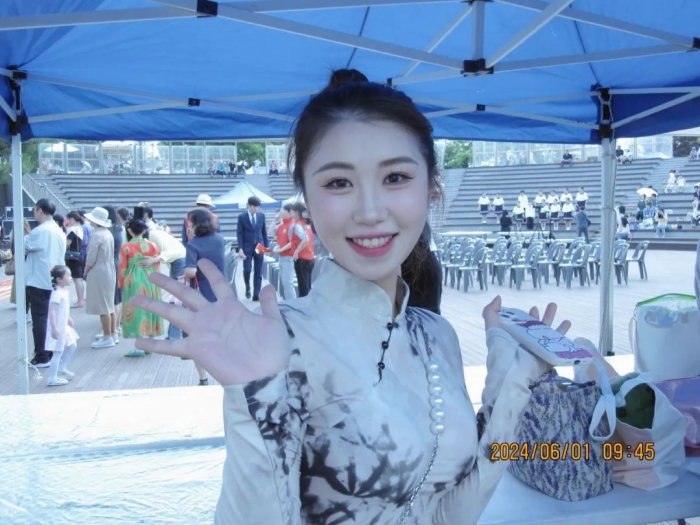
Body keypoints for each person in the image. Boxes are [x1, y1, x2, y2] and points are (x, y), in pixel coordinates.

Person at [131, 68, 568, 524]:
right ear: (306, 197)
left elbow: (449, 512)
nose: (370, 211)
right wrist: (255, 403)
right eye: (339, 182)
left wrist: (511, 377)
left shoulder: (437, 334)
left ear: (431, 187)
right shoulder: (279, 341)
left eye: (395, 177)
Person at [184, 207, 227, 385]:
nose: (188, 226)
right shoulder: (219, 239)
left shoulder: (193, 245)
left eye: (190, 223)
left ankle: (203, 379)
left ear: (195, 224)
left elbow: (191, 272)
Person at [25, 199, 66, 367]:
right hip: (54, 279)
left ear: (40, 210)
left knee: (40, 318)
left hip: (39, 280)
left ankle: (41, 355)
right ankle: (51, 352)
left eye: (35, 210)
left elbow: (23, 246)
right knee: (52, 318)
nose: (34, 213)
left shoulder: (39, 231)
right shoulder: (58, 230)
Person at [119, 219, 164, 356]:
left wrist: (121, 284)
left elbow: (122, 267)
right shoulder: (152, 245)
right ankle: (150, 344)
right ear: (144, 230)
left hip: (134, 279)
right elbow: (157, 264)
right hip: (151, 278)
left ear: (129, 230)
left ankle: (139, 346)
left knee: (137, 311)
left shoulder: (126, 247)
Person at [84, 207, 117, 349]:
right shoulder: (107, 233)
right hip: (109, 267)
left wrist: (86, 270)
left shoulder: (97, 234)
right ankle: (112, 333)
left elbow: (91, 255)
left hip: (99, 268)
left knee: (103, 306)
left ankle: (107, 337)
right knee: (109, 304)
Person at [45, 265, 79, 386]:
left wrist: (68, 317)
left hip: (63, 326)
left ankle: (61, 368)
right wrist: (54, 328)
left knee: (72, 345)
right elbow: (52, 311)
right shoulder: (57, 294)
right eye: (68, 276)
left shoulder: (63, 292)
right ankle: (52, 377)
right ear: (59, 279)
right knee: (57, 352)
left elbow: (62, 308)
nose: (70, 278)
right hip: (58, 327)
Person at [236, 196, 268, 301]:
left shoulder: (261, 216)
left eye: (258, 206)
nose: (256, 208)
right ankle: (247, 287)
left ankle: (256, 294)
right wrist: (240, 248)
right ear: (249, 206)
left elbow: (264, 232)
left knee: (258, 271)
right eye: (254, 206)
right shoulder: (242, 217)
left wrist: (266, 246)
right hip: (247, 246)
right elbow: (239, 233)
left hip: (259, 246)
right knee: (247, 270)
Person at [268, 202, 298, 300]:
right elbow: (270, 232)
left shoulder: (292, 226)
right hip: (282, 257)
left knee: (288, 284)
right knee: (285, 283)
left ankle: (292, 304)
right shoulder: (281, 225)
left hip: (289, 257)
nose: (280, 212)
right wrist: (275, 220)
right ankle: (288, 302)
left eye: (282, 210)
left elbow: (293, 242)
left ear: (289, 213)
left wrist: (281, 249)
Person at [290, 202, 316, 299]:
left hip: (302, 258)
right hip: (310, 257)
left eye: (293, 212)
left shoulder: (298, 225)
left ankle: (305, 306)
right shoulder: (307, 224)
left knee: (303, 288)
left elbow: (305, 240)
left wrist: (296, 252)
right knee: (307, 285)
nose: (292, 214)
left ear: (298, 212)